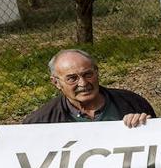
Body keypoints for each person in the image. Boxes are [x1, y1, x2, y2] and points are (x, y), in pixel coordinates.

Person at [24, 49, 154, 126]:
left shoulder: (133, 103)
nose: (83, 83)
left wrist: (144, 126)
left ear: (97, 72)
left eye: (88, 74)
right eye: (72, 78)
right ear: (56, 82)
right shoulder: (39, 123)